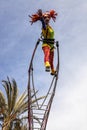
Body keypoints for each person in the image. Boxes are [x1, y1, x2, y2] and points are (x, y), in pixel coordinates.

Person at [29, 9, 57, 75]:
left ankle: (52, 70)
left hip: (52, 45)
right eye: (45, 18)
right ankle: (47, 64)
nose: (47, 19)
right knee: (47, 54)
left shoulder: (50, 28)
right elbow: (43, 24)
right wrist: (41, 18)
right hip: (46, 44)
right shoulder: (44, 27)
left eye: (48, 18)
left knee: (51, 60)